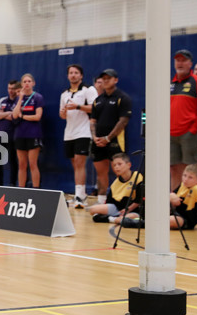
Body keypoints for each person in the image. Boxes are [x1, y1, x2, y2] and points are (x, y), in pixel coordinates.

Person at [90, 69, 132, 205]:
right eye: (104, 78)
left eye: (109, 78)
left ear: (116, 80)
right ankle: (102, 201)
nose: (106, 81)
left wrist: (108, 138)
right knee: (101, 173)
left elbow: (123, 121)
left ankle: (122, 201)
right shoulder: (98, 100)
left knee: (120, 171)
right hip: (98, 142)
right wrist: (94, 137)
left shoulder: (122, 98)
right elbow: (92, 121)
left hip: (115, 141)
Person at [59, 64, 98, 208]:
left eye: (76, 73)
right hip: (69, 133)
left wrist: (78, 107)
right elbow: (62, 115)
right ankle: (80, 194)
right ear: (68, 76)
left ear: (81, 76)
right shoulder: (64, 94)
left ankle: (80, 196)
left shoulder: (88, 90)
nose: (73, 75)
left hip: (84, 132)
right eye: (71, 73)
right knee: (75, 164)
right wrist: (63, 113)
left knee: (80, 162)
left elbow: (96, 107)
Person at [170, 49, 197, 191]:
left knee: (191, 171)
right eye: (178, 60)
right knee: (174, 169)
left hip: (189, 133)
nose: (180, 63)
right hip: (171, 134)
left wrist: (194, 128)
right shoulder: (171, 83)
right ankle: (174, 203)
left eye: (184, 60)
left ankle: (191, 204)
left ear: (190, 63)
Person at [88, 153, 143, 224]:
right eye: (114, 165)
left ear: (129, 165)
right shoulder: (115, 183)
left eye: (119, 164)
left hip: (133, 210)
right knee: (93, 209)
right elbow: (109, 202)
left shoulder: (138, 177)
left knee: (123, 219)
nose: (116, 167)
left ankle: (111, 219)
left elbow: (139, 200)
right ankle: (114, 218)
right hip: (118, 209)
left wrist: (127, 210)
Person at [12, 73, 44, 188]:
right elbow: (15, 115)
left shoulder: (38, 97)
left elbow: (37, 116)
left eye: (29, 81)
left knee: (33, 164)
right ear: (21, 84)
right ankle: (22, 190)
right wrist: (20, 98)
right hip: (20, 134)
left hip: (33, 134)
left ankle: (36, 189)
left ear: (33, 83)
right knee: (21, 164)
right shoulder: (18, 99)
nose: (26, 83)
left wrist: (23, 116)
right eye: (24, 82)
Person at [0, 80, 20, 186]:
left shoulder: (19, 101)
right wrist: (9, 113)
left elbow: (16, 118)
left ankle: (12, 184)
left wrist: (3, 114)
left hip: (13, 136)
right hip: (1, 135)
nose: (11, 91)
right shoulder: (2, 100)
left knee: (13, 161)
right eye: (9, 88)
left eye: (13, 88)